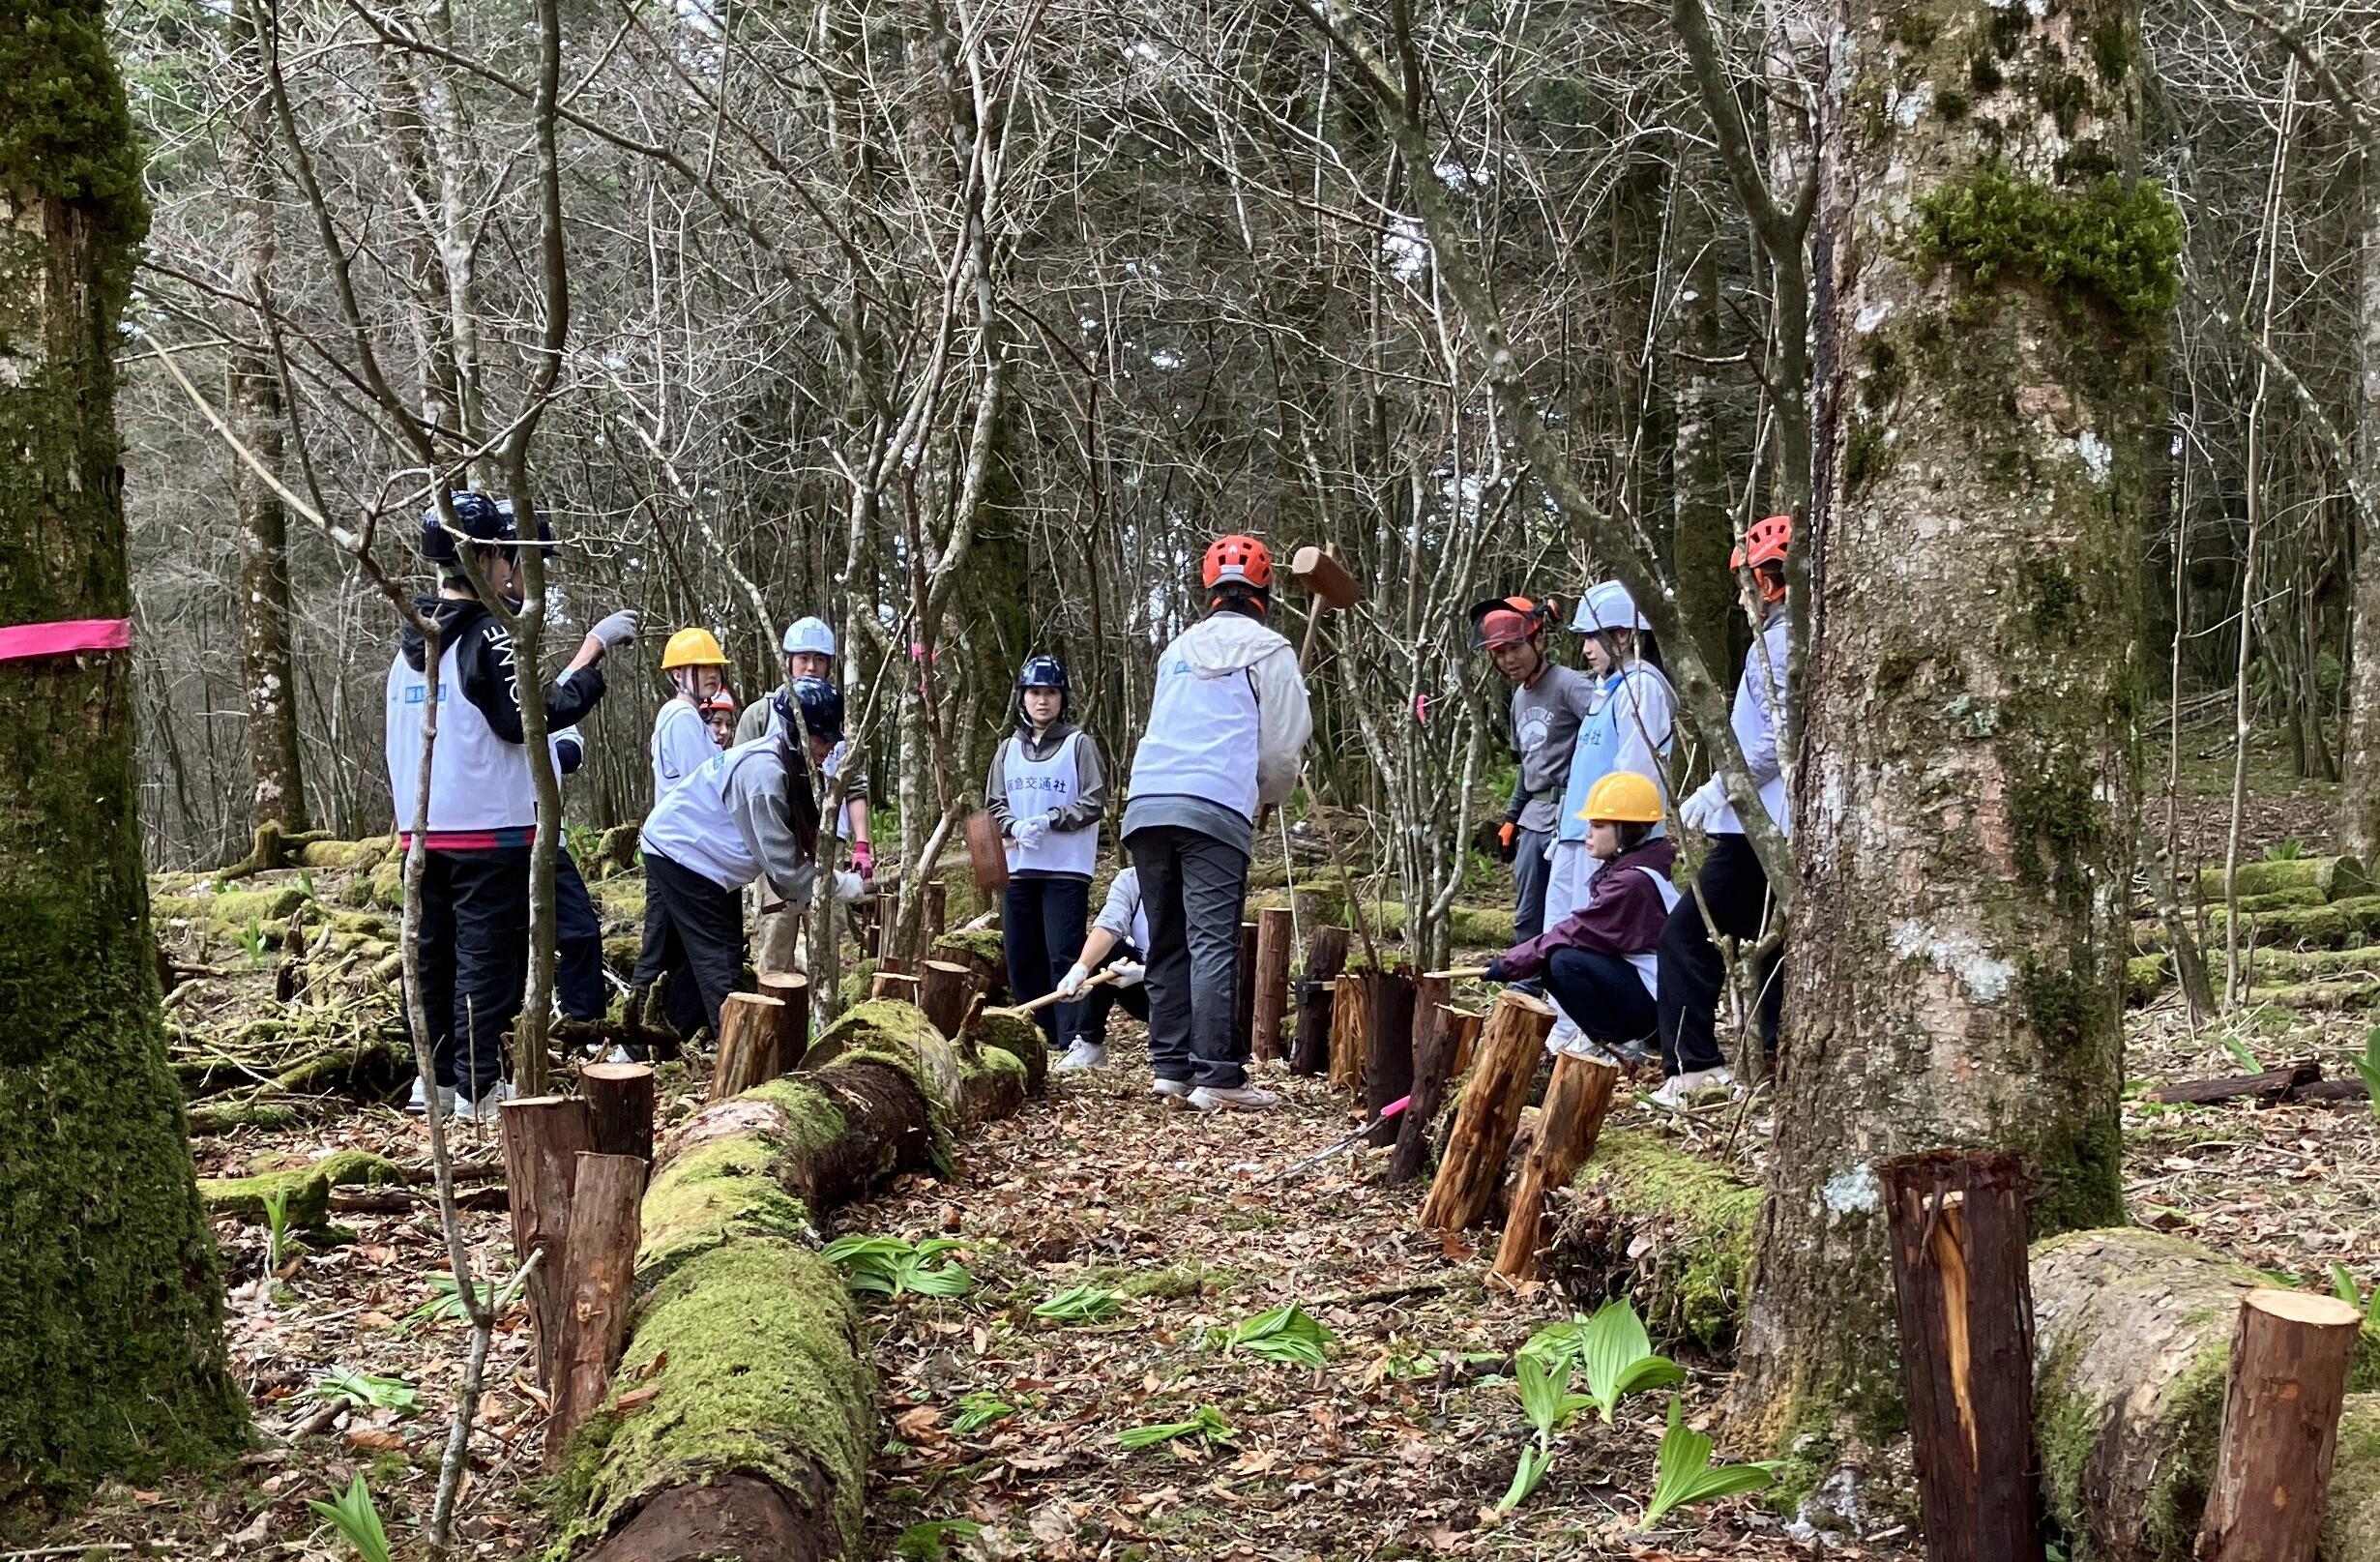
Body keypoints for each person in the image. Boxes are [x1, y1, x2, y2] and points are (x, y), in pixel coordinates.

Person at [386, 491, 636, 1118]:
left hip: (423, 833)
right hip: (489, 836)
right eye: (507, 555)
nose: (513, 569)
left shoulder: (409, 648)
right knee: (484, 965)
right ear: (486, 558)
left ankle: (435, 1082)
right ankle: (476, 1091)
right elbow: (526, 716)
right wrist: (589, 667)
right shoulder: (488, 636)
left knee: (432, 962)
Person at [1121, 534, 1312, 1111]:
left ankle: (1170, 1068)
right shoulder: (1271, 650)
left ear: (1210, 592)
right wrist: (1269, 793)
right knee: (1211, 942)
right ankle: (1218, 1075)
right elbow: (1281, 750)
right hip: (1212, 808)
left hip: (1148, 803)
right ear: (1265, 594)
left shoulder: (1175, 649)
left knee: (1167, 938)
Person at [633, 676, 866, 1041]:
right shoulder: (764, 773)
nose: (828, 748)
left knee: (676, 960)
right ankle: (739, 1052)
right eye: (822, 739)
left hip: (693, 857)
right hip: (685, 856)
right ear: (797, 731)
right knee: (720, 962)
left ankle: (664, 1041)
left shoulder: (791, 764)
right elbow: (783, 867)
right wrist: (841, 885)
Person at [1655, 514, 1795, 1105]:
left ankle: (1695, 1069)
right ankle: (1776, 1056)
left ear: (1768, 583)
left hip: (1760, 828)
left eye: (1745, 587)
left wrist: (1720, 788)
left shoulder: (1780, 644)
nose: (1740, 602)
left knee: (1685, 938)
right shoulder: (1785, 641)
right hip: (1766, 823)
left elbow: (1779, 737)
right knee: (1773, 948)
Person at [1543, 581, 1677, 1047]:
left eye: (1592, 637)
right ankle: (1562, 1034)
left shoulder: (1643, 688)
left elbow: (1635, 774)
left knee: (1591, 941)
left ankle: (1596, 1041)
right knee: (1559, 934)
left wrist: (1617, 843)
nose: (1585, 649)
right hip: (1578, 834)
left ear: (1622, 635)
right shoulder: (1609, 690)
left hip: (1608, 842)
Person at [1481, 773, 1679, 1061]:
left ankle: (1626, 1044)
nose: (1588, 833)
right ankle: (1611, 1041)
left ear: (1626, 830)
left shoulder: (1631, 883)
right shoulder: (1632, 867)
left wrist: (1510, 963)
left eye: (1598, 826)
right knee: (1556, 961)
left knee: (1563, 962)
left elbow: (1575, 931)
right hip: (1656, 996)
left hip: (1662, 1006)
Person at [1470, 594, 1597, 992]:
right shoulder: (1520, 699)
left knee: (1567, 911)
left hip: (1572, 817)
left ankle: (1566, 990)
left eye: (1515, 648)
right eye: (1499, 653)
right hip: (1534, 821)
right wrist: (1511, 818)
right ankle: (1528, 984)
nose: (1509, 659)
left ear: (1538, 640)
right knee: (1528, 914)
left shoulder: (1571, 686)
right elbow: (1528, 765)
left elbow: (1605, 736)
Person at [983, 656, 1108, 1050]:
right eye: (1035, 692)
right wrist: (1013, 825)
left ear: (1062, 698)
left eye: (1051, 692)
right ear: (1022, 697)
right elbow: (993, 803)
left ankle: (1073, 1038)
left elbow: (1094, 800)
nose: (1042, 700)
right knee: (1021, 956)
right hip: (1019, 867)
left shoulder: (1078, 744)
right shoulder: (1008, 749)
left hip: (1065, 868)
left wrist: (1053, 818)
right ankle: (1036, 1036)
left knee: (1064, 954)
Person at [740, 616, 874, 973]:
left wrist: (862, 845)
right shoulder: (762, 714)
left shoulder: (841, 716)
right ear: (788, 661)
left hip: (829, 839)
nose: (811, 667)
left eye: (819, 659)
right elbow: (741, 784)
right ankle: (772, 1002)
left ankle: (823, 1004)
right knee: (776, 933)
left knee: (825, 936)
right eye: (803, 658)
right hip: (776, 841)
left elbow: (855, 786)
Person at [1051, 866, 1152, 1073]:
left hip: (1187, 991)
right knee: (1109, 949)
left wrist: (1145, 973)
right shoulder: (1131, 880)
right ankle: (1089, 1043)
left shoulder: (1198, 878)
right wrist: (1081, 967)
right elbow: (1108, 925)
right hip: (1144, 992)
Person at [548, 724, 609, 1027]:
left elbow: (571, 748)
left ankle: (585, 1028)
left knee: (582, 931)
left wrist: (541, 752)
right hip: (485, 842)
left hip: (546, 839)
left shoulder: (545, 698)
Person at [652, 627, 730, 801]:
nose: (712, 674)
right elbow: (703, 786)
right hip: (687, 818)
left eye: (715, 667)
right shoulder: (682, 716)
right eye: (702, 667)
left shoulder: (690, 716)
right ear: (678, 675)